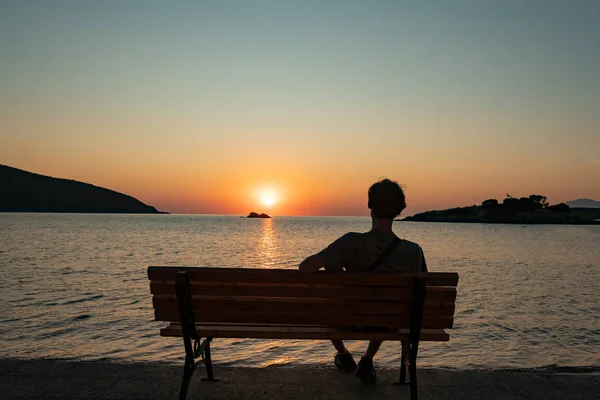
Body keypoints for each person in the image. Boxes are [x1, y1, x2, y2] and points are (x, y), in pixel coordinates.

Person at [298, 178, 427, 383]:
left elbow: (306, 268)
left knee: (329, 304)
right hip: (391, 323)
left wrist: (335, 269)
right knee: (384, 307)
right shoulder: (413, 251)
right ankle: (367, 359)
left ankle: (343, 355)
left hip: (350, 320)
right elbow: (421, 295)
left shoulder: (351, 242)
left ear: (370, 206)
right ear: (399, 210)